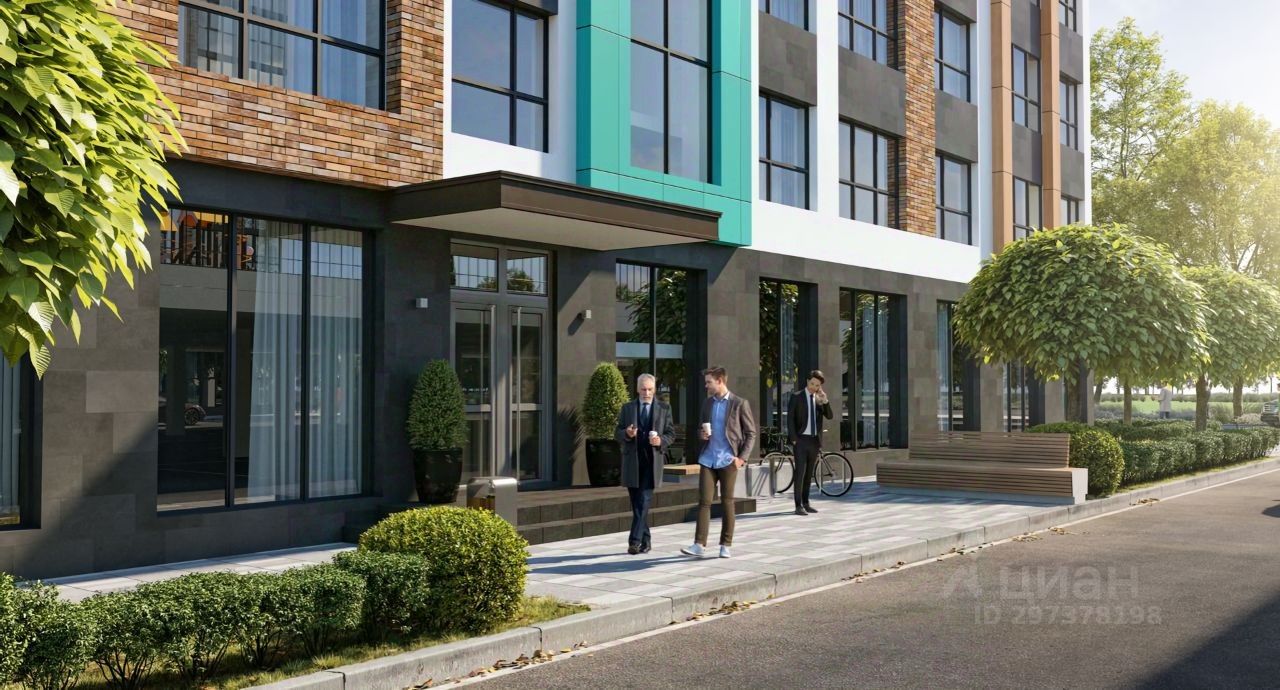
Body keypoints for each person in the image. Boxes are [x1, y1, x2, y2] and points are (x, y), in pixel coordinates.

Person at [682, 366, 757, 559]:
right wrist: (701, 434)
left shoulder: (739, 403)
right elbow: (701, 429)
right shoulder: (707, 403)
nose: (706, 386)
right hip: (708, 459)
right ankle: (699, 544)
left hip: (728, 460)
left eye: (709, 382)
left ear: (720, 381)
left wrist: (741, 459)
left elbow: (751, 433)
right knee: (704, 502)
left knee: (727, 502)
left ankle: (725, 545)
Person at [615, 374, 676, 555]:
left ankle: (634, 541)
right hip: (632, 462)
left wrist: (661, 441)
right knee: (637, 503)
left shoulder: (664, 408)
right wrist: (627, 434)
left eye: (650, 389)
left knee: (644, 500)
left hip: (652, 461)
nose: (647, 393)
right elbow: (617, 432)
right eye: (643, 389)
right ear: (637, 389)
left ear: (654, 389)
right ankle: (646, 540)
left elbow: (671, 434)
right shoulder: (627, 408)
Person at [787, 370, 833, 515]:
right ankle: (798, 505)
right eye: (812, 383)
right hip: (800, 441)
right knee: (800, 473)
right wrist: (794, 439)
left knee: (809, 474)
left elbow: (830, 416)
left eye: (817, 385)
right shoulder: (796, 397)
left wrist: (825, 400)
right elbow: (790, 419)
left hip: (814, 441)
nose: (814, 387)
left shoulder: (819, 399)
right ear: (807, 381)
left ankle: (806, 503)